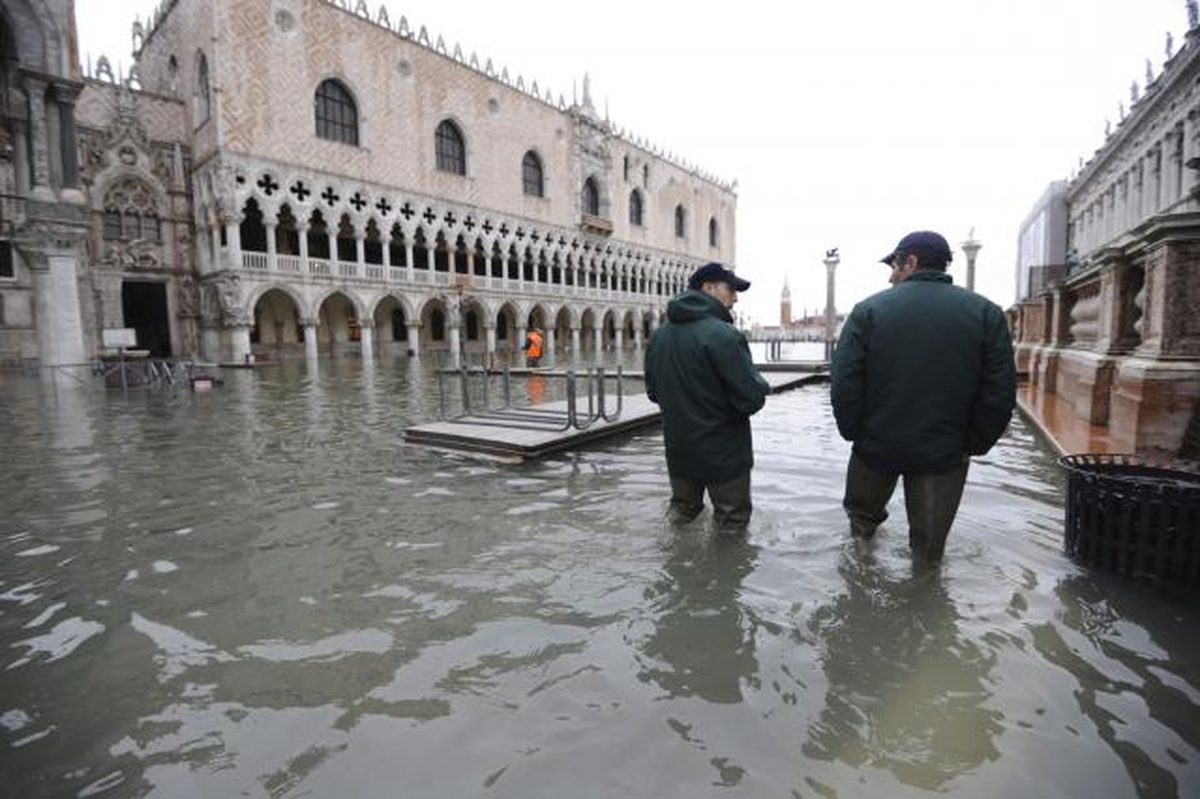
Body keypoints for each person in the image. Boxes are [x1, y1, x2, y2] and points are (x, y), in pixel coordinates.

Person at [830, 230, 1016, 562]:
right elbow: (999, 395)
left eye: (894, 266)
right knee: (929, 551)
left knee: (860, 529)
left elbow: (844, 383)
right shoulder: (987, 314)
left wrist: (855, 432)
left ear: (910, 261)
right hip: (944, 454)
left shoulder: (868, 311)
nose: (891, 275)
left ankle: (857, 589)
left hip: (875, 447)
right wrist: (971, 444)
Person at [644, 262, 771, 530]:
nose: (735, 298)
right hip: (723, 453)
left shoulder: (659, 337)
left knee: (681, 513)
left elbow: (654, 393)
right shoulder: (724, 335)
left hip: (679, 449)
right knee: (731, 521)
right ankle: (725, 572)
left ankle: (675, 566)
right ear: (708, 288)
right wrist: (759, 386)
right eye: (732, 289)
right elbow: (751, 398)